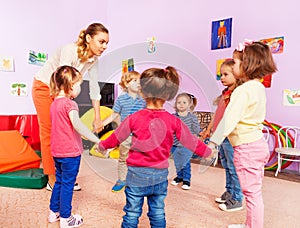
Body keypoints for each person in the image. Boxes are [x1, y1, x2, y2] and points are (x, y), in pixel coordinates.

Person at [96, 66, 217, 228]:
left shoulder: (133, 118)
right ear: (167, 94)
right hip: (159, 176)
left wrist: (102, 146)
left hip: (136, 175)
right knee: (157, 212)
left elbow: (116, 137)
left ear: (142, 92)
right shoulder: (173, 120)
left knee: (132, 213)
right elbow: (191, 141)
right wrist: (208, 152)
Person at [31, 23, 109, 191]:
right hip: (46, 87)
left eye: (106, 43)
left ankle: (66, 176)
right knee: (49, 131)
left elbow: (94, 87)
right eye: (101, 41)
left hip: (65, 90)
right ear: (89, 38)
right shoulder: (70, 50)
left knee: (70, 129)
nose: (104, 46)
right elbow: (63, 77)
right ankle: (52, 179)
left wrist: (97, 116)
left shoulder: (94, 59)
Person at [209, 40, 277, 228]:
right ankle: (250, 223)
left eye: (235, 62)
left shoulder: (242, 90)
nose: (233, 64)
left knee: (252, 193)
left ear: (248, 65)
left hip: (247, 147)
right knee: (253, 191)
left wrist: (213, 143)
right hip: (256, 144)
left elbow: (229, 119)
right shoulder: (257, 87)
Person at [47, 65, 100, 227]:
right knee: (68, 184)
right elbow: (78, 126)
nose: (79, 88)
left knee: (60, 181)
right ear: (70, 86)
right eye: (78, 85)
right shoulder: (70, 105)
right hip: (70, 153)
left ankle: (53, 212)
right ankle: (66, 218)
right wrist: (97, 140)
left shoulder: (54, 104)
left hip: (57, 152)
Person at [200, 59, 243, 212]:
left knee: (233, 167)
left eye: (226, 74)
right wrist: (209, 130)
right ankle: (229, 192)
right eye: (221, 74)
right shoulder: (225, 94)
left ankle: (237, 198)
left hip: (230, 136)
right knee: (226, 166)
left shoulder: (236, 95)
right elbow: (216, 116)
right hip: (220, 136)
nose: (222, 78)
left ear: (238, 75)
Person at [101, 70, 146, 192]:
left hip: (140, 136)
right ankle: (122, 179)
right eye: (135, 81)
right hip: (125, 135)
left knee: (139, 158)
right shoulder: (121, 99)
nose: (138, 83)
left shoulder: (144, 100)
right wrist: (102, 124)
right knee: (123, 158)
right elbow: (114, 115)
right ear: (126, 84)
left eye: (139, 81)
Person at [170, 92, 201, 190]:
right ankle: (179, 176)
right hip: (175, 144)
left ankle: (186, 179)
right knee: (177, 162)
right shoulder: (173, 116)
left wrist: (199, 133)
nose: (181, 104)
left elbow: (196, 130)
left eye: (184, 102)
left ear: (189, 104)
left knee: (185, 162)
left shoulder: (192, 117)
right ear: (175, 104)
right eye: (179, 102)